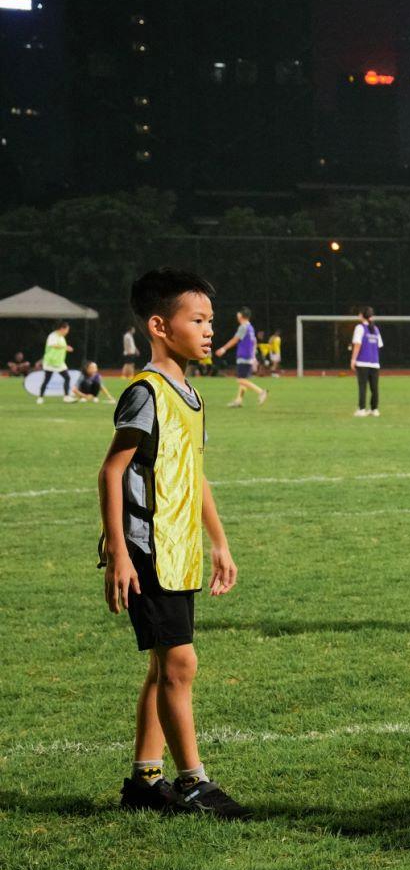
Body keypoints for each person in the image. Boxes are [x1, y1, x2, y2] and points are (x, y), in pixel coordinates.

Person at [98, 267, 246, 818]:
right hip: (147, 549)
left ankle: (144, 779)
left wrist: (220, 543)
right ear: (159, 326)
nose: (211, 329)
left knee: (164, 667)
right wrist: (118, 550)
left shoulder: (191, 395)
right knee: (181, 664)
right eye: (199, 319)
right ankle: (192, 782)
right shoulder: (146, 393)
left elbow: (195, 474)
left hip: (179, 547)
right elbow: (112, 471)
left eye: (212, 320)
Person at [213, 308, 268, 407]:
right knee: (243, 380)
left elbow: (235, 339)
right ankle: (239, 400)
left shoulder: (243, 327)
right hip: (248, 356)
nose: (237, 315)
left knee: (240, 380)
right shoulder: (250, 327)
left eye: (238, 314)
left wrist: (223, 349)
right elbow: (254, 341)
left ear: (241, 316)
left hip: (244, 356)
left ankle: (261, 392)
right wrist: (253, 355)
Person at [352, 307, 382, 416]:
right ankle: (375, 410)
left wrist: (353, 359)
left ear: (361, 315)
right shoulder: (375, 329)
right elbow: (379, 345)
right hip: (375, 362)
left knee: (362, 386)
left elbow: (357, 344)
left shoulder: (359, 328)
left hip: (362, 362)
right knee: (374, 388)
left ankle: (362, 409)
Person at [36, 320, 73, 403]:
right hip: (50, 362)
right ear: (62, 329)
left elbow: (61, 347)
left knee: (67, 377)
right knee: (47, 380)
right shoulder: (53, 336)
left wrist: (65, 348)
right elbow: (53, 345)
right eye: (67, 330)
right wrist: (65, 347)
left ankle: (66, 397)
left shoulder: (62, 338)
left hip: (59, 362)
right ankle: (40, 397)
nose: (67, 332)